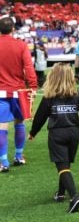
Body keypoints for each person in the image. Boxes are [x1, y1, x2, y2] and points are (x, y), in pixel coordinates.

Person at [28, 63, 79, 213]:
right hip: (74, 133)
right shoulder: (77, 95)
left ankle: (74, 197)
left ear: (53, 77)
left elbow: (39, 118)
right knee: (65, 164)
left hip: (57, 134)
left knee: (62, 166)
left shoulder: (49, 97)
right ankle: (60, 193)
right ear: (71, 77)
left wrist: (33, 132)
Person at [0, 17, 37, 172]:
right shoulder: (21, 45)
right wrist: (33, 86)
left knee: (2, 126)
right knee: (19, 123)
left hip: (1, 92)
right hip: (18, 91)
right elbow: (28, 68)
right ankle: (19, 156)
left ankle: (3, 162)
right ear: (13, 29)